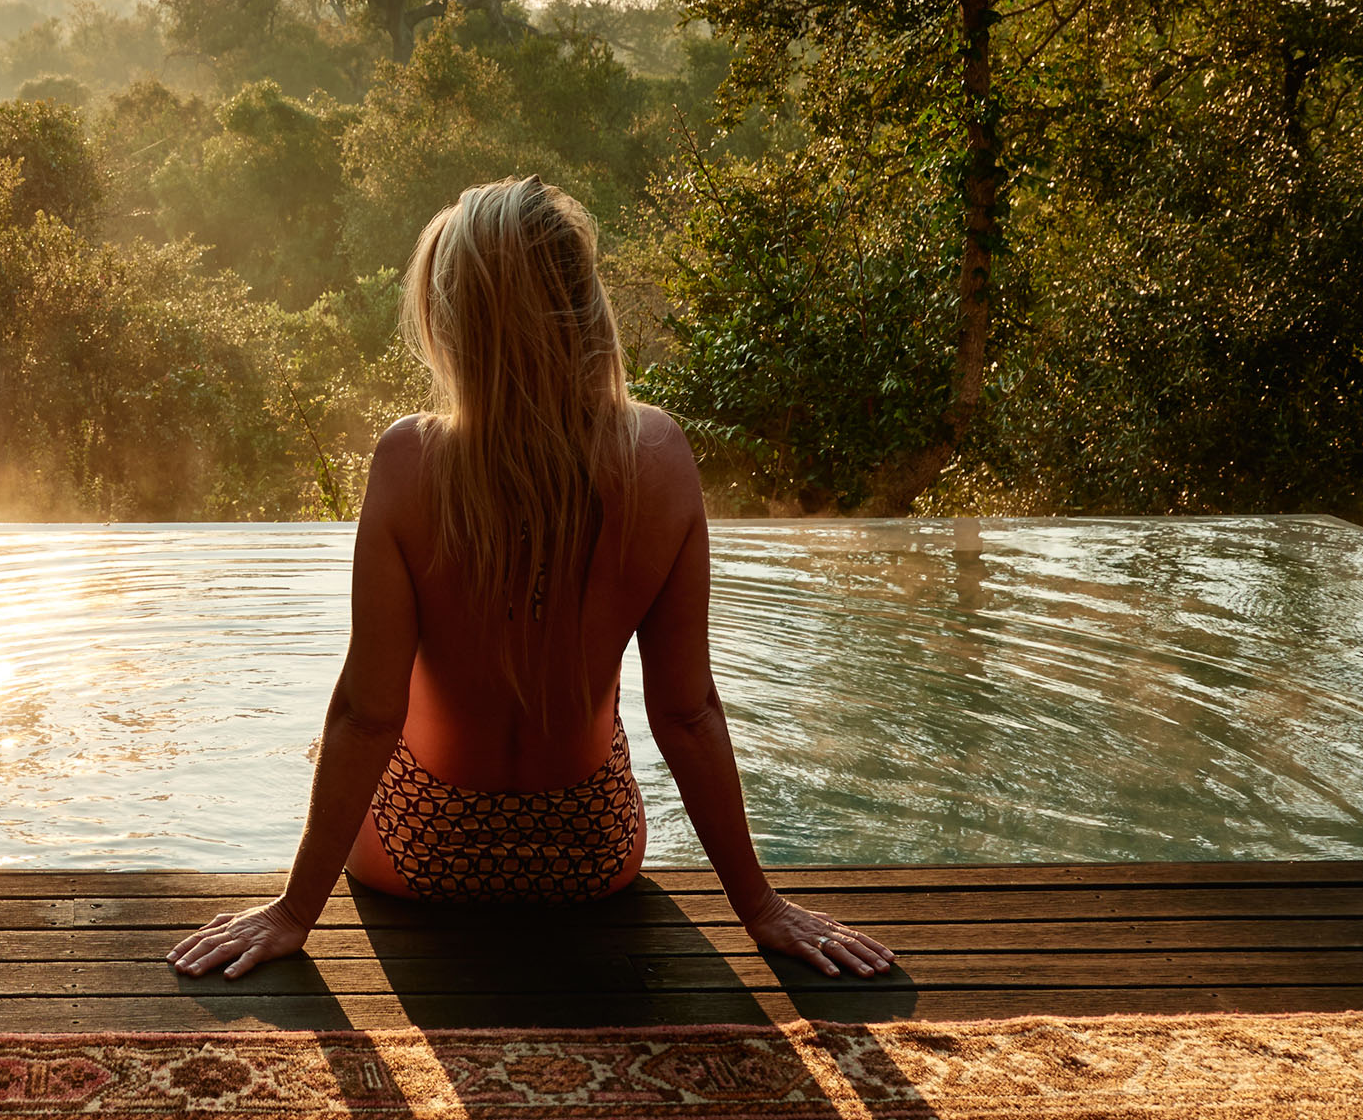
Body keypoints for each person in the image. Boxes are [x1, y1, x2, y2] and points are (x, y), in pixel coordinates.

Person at [168, 176, 892, 982]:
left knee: (336, 734)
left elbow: (367, 718)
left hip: (420, 853)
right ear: (585, 310)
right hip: (588, 856)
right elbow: (687, 713)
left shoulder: (410, 461)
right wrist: (761, 907)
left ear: (456, 328)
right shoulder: (657, 455)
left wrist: (293, 912)